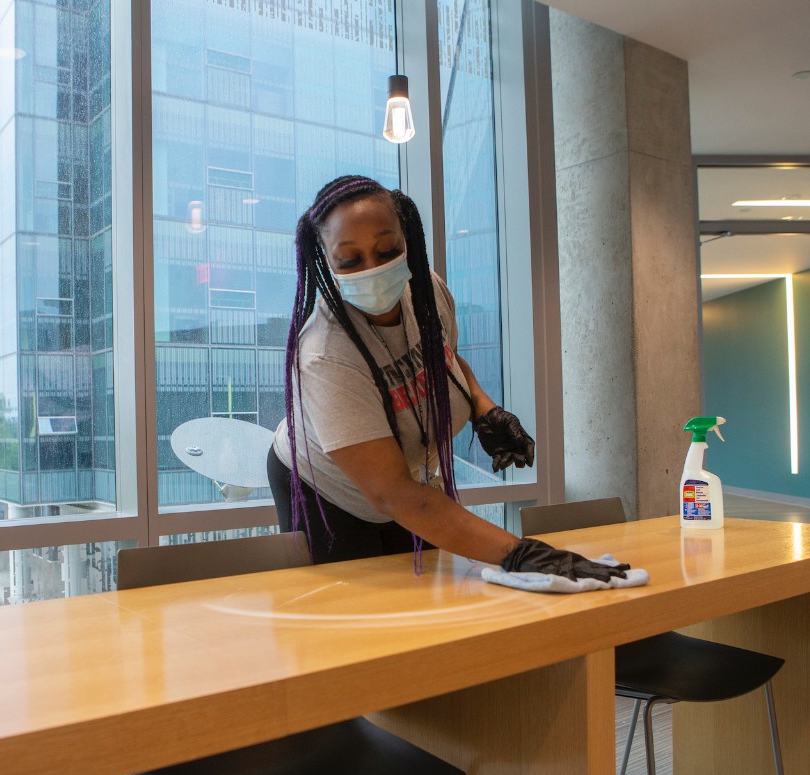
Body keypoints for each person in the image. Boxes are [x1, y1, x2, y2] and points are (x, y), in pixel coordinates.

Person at [267, 175, 628, 582]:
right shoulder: (325, 355)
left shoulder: (426, 292)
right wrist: (519, 553)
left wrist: (484, 409)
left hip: (406, 483)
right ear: (327, 263)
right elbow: (391, 493)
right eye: (350, 260)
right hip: (329, 491)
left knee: (424, 591)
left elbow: (444, 360)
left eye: (387, 250)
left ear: (407, 239)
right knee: (365, 606)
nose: (373, 269)